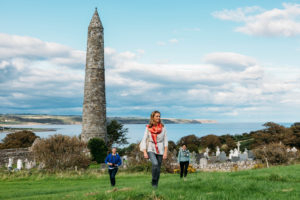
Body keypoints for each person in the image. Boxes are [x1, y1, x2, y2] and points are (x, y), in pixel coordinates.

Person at [140, 110, 168, 188]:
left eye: (159, 116)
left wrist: (165, 152)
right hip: (151, 148)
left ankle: (155, 184)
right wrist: (144, 152)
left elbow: (165, 140)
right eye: (157, 116)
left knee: (158, 168)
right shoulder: (148, 127)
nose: (158, 117)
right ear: (153, 117)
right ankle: (153, 180)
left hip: (160, 148)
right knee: (155, 164)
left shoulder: (163, 127)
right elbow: (144, 139)